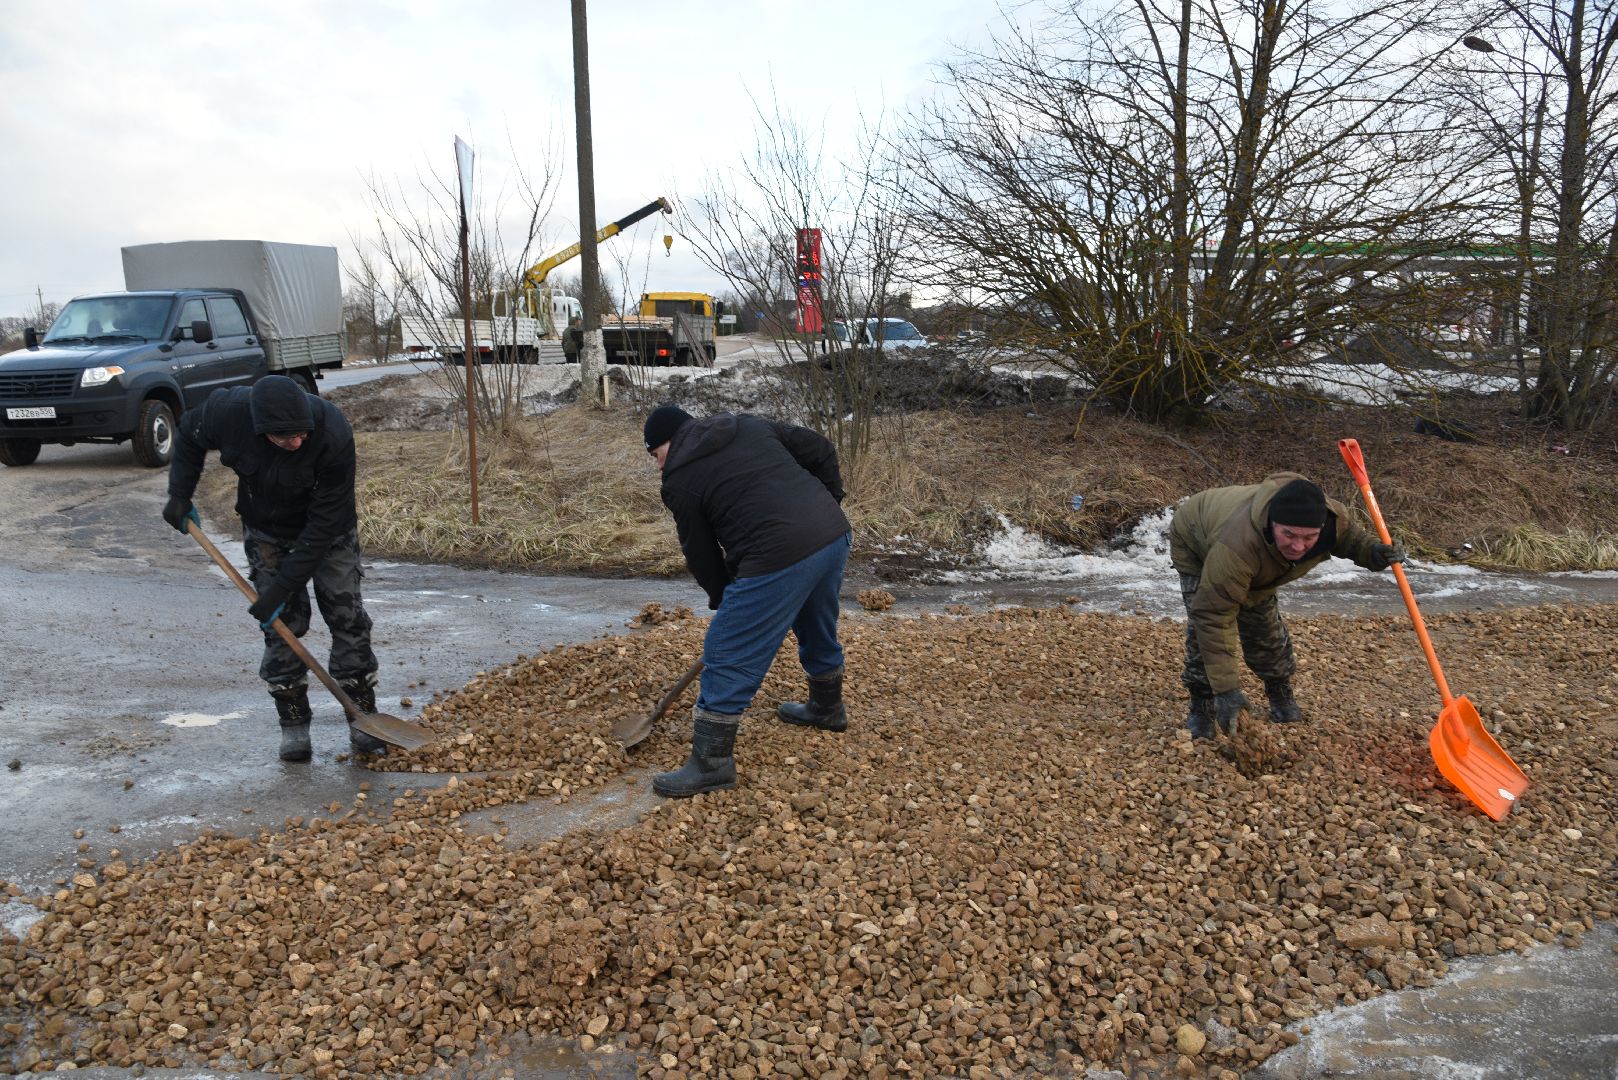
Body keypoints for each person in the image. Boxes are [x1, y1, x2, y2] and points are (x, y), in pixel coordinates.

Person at [161, 375, 383, 763]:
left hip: (328, 531)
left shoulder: (332, 431)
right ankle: (293, 721)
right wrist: (179, 495)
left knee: (347, 615)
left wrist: (281, 588)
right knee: (282, 626)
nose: (295, 443)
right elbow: (189, 437)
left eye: (300, 435)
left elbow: (324, 524)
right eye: (283, 438)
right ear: (260, 428)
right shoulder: (225, 413)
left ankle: (362, 715)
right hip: (266, 528)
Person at [644, 404, 852, 797]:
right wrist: (827, 505)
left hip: (779, 552)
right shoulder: (746, 425)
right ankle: (828, 708)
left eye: (655, 455)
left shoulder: (679, 479)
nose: (657, 466)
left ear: (668, 444)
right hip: (832, 536)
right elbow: (821, 448)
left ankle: (711, 764)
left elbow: (701, 552)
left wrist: (728, 600)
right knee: (814, 621)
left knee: (728, 649)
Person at [1169, 473, 1404, 740]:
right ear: (1272, 524)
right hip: (1194, 537)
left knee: (1263, 625)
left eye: (1309, 538)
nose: (1298, 546)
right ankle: (1202, 705)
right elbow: (1212, 616)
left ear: (1322, 528)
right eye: (1289, 534)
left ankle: (1279, 692)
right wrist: (1226, 691)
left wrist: (1374, 553)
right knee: (1206, 624)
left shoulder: (1332, 520)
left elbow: (1353, 540)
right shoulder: (1237, 546)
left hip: (1257, 559)